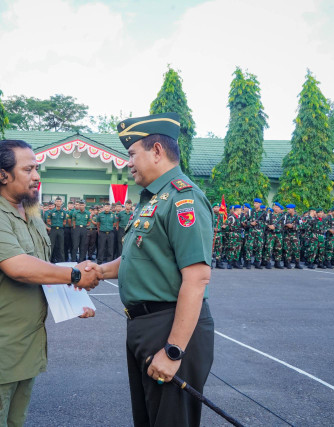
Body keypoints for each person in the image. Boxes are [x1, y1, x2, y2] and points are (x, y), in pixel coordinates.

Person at [0, 139, 100, 427]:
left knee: (14, 422)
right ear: (3, 175)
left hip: (27, 346)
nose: (37, 176)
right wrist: (74, 274)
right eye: (29, 169)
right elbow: (19, 268)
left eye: (37, 169)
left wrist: (74, 301)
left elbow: (42, 270)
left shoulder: (31, 215)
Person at [93, 113, 214, 427]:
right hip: (145, 327)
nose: (128, 162)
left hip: (169, 327)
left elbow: (197, 278)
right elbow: (140, 259)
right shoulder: (153, 200)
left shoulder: (181, 199)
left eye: (132, 154)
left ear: (157, 151)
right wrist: (98, 272)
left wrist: (173, 351)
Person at [46, 197, 67, 262]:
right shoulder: (51, 211)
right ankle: (48, 260)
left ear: (61, 203)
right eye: (57, 201)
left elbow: (64, 222)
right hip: (53, 230)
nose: (58, 203)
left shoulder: (64, 212)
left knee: (61, 246)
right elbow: (48, 221)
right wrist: (54, 224)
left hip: (60, 230)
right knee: (51, 246)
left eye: (60, 201)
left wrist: (59, 225)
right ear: (55, 202)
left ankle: (62, 261)